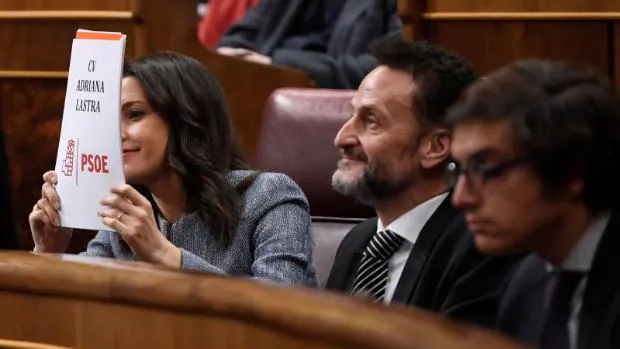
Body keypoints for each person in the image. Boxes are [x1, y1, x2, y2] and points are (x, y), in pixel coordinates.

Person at [29, 52, 318, 286]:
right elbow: (80, 301)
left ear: (186, 120)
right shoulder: (125, 212)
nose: (114, 133)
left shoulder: (268, 196)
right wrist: (48, 252)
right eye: (111, 119)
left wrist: (163, 254)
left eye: (135, 114)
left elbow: (280, 307)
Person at [325, 37, 523, 328]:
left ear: (435, 147)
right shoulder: (358, 241)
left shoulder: (480, 248)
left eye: (371, 121)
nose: (342, 138)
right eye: (351, 115)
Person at [447, 59, 620, 349]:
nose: (461, 198)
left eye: (486, 169)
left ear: (570, 170)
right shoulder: (526, 285)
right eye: (459, 171)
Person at [216, 0, 402, 89]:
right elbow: (241, 36)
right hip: (260, 93)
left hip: (334, 104)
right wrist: (230, 56)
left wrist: (277, 64)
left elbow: (394, 65)